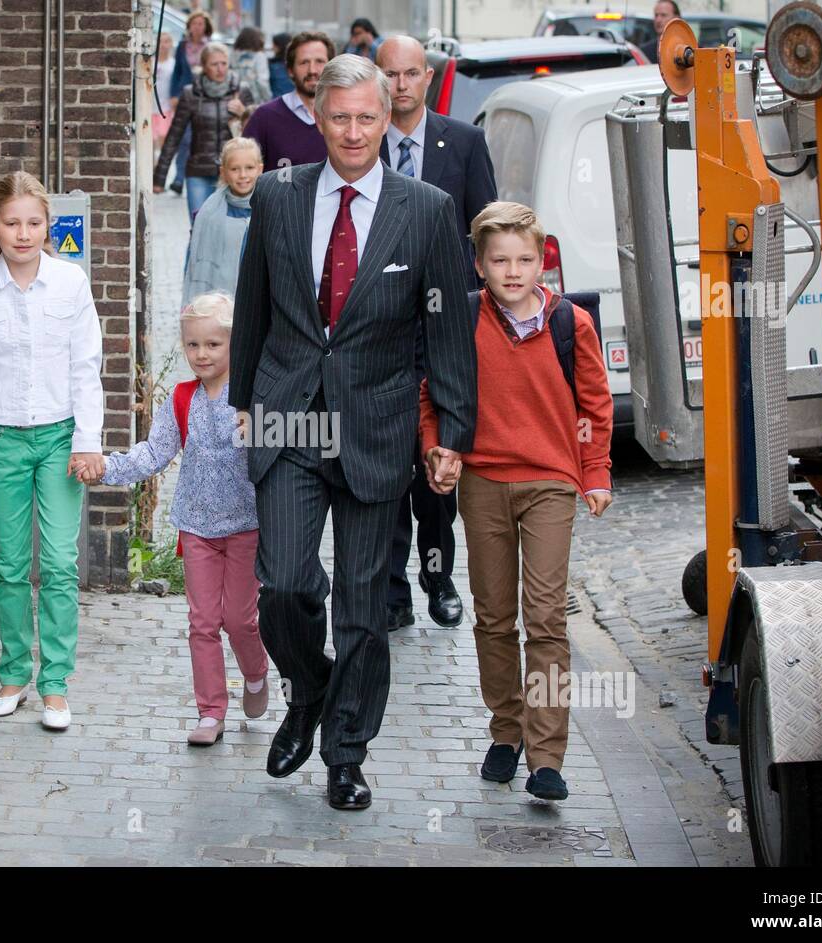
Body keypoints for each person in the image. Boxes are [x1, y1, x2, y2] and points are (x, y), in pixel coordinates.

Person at [229, 55, 478, 811]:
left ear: (386, 117)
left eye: (367, 117)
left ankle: (345, 751)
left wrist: (451, 434)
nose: (354, 131)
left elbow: (449, 333)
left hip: (377, 421)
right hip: (289, 412)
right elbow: (253, 306)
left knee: (365, 608)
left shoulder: (427, 209)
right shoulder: (277, 196)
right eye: (339, 117)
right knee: (285, 587)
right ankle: (309, 687)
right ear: (319, 117)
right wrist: (243, 402)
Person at [419, 201, 613, 801]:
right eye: (499, 260)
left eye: (525, 259)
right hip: (482, 483)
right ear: (479, 265)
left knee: (547, 617)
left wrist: (596, 472)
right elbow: (432, 395)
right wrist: (436, 450)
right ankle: (506, 733)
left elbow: (594, 403)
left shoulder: (570, 323)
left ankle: (547, 755)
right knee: (495, 617)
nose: (512, 270)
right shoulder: (463, 320)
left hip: (552, 483)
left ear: (541, 261)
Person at [0, 171, 105, 731]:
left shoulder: (70, 283)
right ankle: (14, 674)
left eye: (34, 222)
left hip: (60, 439)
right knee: (10, 564)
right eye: (11, 223)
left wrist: (88, 440)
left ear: (48, 226)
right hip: (1, 439)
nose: (23, 233)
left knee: (59, 563)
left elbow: (87, 365)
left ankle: (55, 685)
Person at [86, 293, 270, 746]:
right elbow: (155, 451)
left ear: (234, 345)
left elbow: (278, 445)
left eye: (213, 345)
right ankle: (211, 711)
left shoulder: (252, 395)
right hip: (197, 527)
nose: (202, 354)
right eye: (193, 346)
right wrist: (107, 467)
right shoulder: (182, 397)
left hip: (247, 524)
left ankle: (256, 672)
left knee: (241, 620)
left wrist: (263, 428)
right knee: (203, 621)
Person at [375, 35, 498, 635]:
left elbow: (489, 230)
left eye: (409, 74)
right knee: (389, 467)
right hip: (381, 329)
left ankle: (439, 578)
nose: (399, 86)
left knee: (440, 466)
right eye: (389, 75)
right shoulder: (360, 143)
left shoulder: (465, 142)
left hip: (445, 328)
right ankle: (392, 588)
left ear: (428, 78)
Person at [154, 43, 255, 221]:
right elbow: (174, 135)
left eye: (224, 63)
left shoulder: (241, 90)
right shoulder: (191, 93)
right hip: (198, 171)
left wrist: (243, 113)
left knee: (232, 229)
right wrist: (159, 178)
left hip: (233, 172)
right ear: (204, 66)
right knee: (198, 229)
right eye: (214, 64)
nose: (220, 69)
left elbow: (256, 133)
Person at [242, 31, 334, 175]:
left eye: (319, 61)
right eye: (304, 62)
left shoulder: (348, 118)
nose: (312, 70)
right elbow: (242, 171)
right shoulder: (265, 117)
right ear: (290, 70)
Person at [184, 138, 263, 303]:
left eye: (249, 168)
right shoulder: (208, 214)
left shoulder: (269, 208)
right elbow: (194, 264)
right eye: (235, 169)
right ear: (223, 172)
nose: (243, 175)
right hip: (219, 302)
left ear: (259, 169)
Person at [167, 11, 216, 195]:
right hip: (185, 96)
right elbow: (177, 72)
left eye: (201, 23)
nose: (198, 27)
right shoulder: (182, 46)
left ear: (206, 27)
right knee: (185, 139)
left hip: (205, 97)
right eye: (195, 23)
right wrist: (173, 94)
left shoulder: (211, 47)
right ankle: (179, 179)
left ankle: (205, 178)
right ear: (189, 26)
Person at [231, 27, 272, 105]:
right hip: (253, 98)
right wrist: (268, 98)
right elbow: (262, 81)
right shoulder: (259, 56)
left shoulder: (233, 55)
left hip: (235, 97)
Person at [152, 31, 178, 156]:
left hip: (166, 108)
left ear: (171, 44)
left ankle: (160, 169)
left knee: (164, 140)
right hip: (150, 108)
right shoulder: (150, 63)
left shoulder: (173, 64)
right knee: (149, 141)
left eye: (166, 41)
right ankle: (150, 168)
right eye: (160, 42)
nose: (163, 45)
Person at [267, 32, 294, 98]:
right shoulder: (295, 64)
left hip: (276, 101)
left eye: (274, 44)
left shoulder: (271, 65)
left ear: (280, 46)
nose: (272, 47)